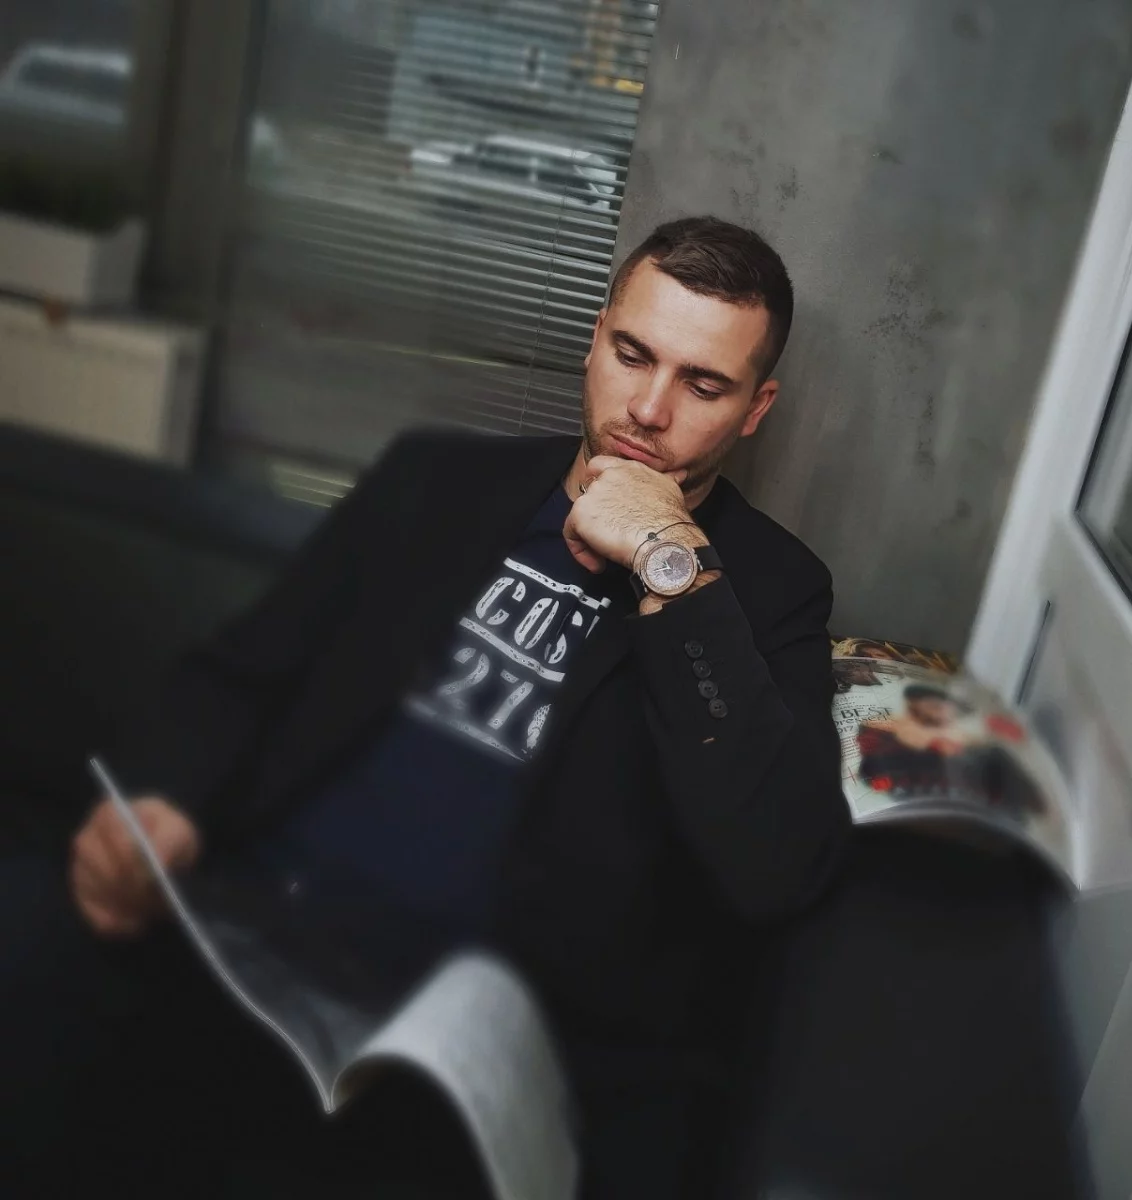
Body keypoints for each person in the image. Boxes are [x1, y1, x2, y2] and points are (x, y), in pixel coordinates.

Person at [1, 217, 848, 1198]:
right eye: (632, 355)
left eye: (702, 385)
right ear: (595, 338)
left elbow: (777, 863)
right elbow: (245, 672)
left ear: (755, 407)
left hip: (463, 1036)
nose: (648, 410)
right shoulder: (441, 480)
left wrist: (671, 563)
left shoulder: (766, 591)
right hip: (248, 921)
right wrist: (164, 800)